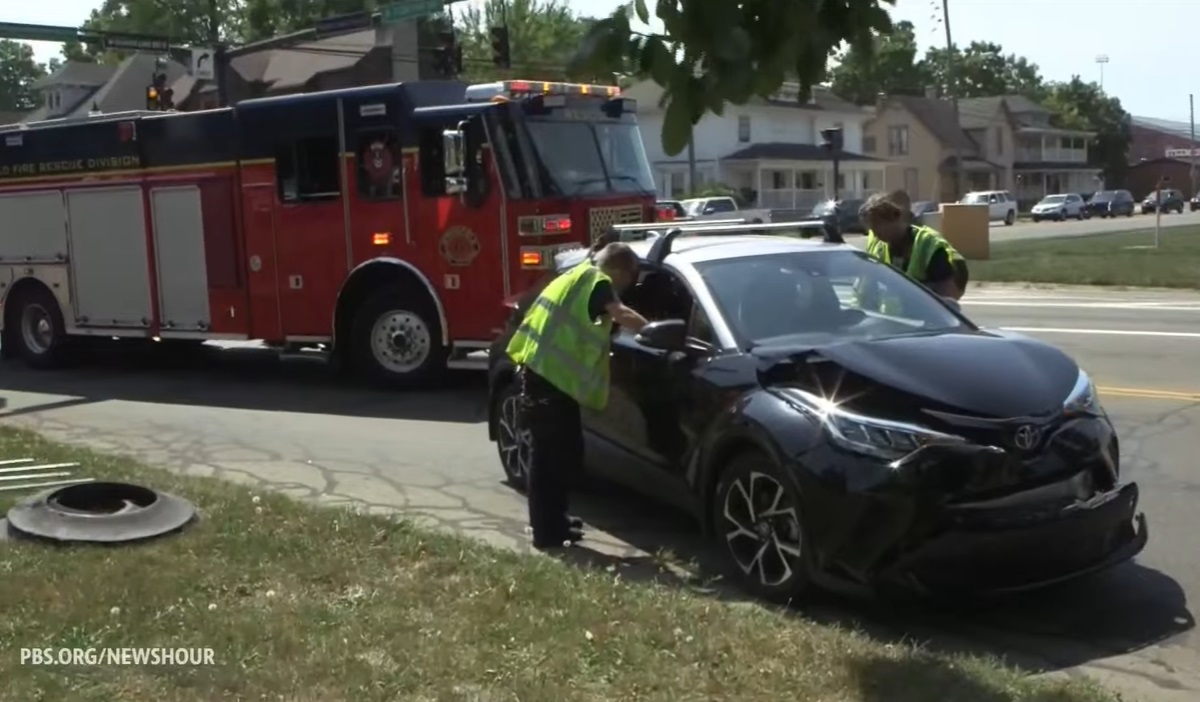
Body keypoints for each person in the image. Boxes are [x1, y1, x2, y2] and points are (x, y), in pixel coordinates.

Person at [506, 241, 649, 549]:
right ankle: (546, 533)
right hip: (549, 381)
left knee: (563, 455)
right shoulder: (597, 281)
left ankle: (555, 521)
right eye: (629, 281)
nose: (625, 288)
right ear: (621, 270)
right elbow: (620, 313)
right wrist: (651, 330)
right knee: (548, 460)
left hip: (547, 376)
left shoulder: (576, 275)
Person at [860, 190, 969, 300]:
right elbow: (866, 291)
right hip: (891, 317)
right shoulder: (877, 244)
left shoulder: (928, 245)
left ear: (894, 219)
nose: (874, 231)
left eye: (877, 224)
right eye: (871, 226)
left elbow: (947, 301)